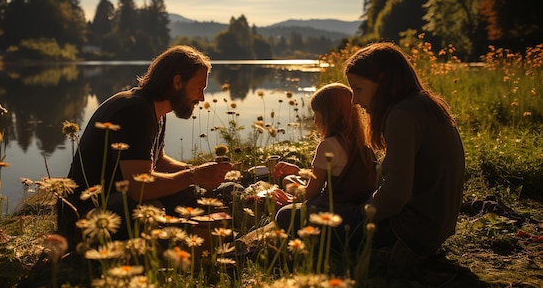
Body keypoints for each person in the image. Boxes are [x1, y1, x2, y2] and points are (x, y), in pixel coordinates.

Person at [57, 45, 232, 245]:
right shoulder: (134, 110)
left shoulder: (154, 109)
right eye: (199, 88)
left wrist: (197, 172)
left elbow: (158, 161)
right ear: (177, 82)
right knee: (151, 208)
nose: (201, 98)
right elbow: (140, 187)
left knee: (189, 194)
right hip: (84, 211)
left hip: (117, 197)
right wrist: (194, 176)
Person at [344, 42, 465, 264]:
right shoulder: (425, 104)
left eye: (358, 89)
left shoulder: (402, 115)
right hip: (433, 225)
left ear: (383, 82)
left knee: (288, 217)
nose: (354, 101)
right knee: (336, 207)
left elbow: (396, 193)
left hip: (411, 231)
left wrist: (358, 215)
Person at [272, 83, 378, 248]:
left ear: (329, 115)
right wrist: (300, 172)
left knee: (284, 214)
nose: (314, 120)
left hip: (338, 212)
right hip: (357, 208)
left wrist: (292, 199)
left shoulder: (328, 145)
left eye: (316, 114)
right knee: (291, 178)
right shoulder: (363, 144)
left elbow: (311, 192)